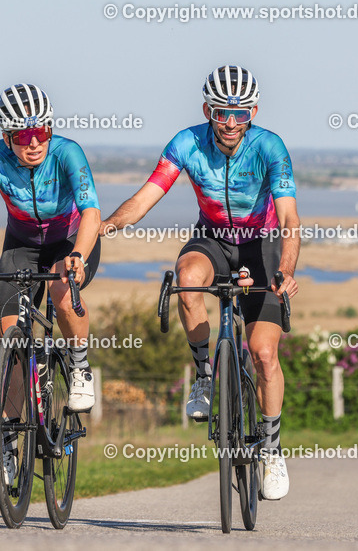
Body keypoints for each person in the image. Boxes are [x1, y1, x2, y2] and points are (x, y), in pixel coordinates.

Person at [101, 65, 300, 500]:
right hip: (211, 239)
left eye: (241, 114)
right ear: (207, 109)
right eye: (222, 113)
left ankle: (270, 447)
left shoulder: (270, 147)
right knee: (188, 280)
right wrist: (104, 227)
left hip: (261, 246)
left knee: (264, 354)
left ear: (254, 113)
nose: (231, 124)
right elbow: (146, 197)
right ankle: (206, 377)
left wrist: (285, 268)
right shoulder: (186, 143)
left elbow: (288, 217)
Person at [0, 83, 101, 488]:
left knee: (61, 295)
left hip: (71, 242)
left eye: (41, 133)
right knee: (11, 340)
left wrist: (79, 257)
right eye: (22, 137)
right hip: (22, 245)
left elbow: (91, 212)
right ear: (5, 137)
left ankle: (81, 368)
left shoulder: (68, 153)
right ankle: (10, 448)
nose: (34, 144)